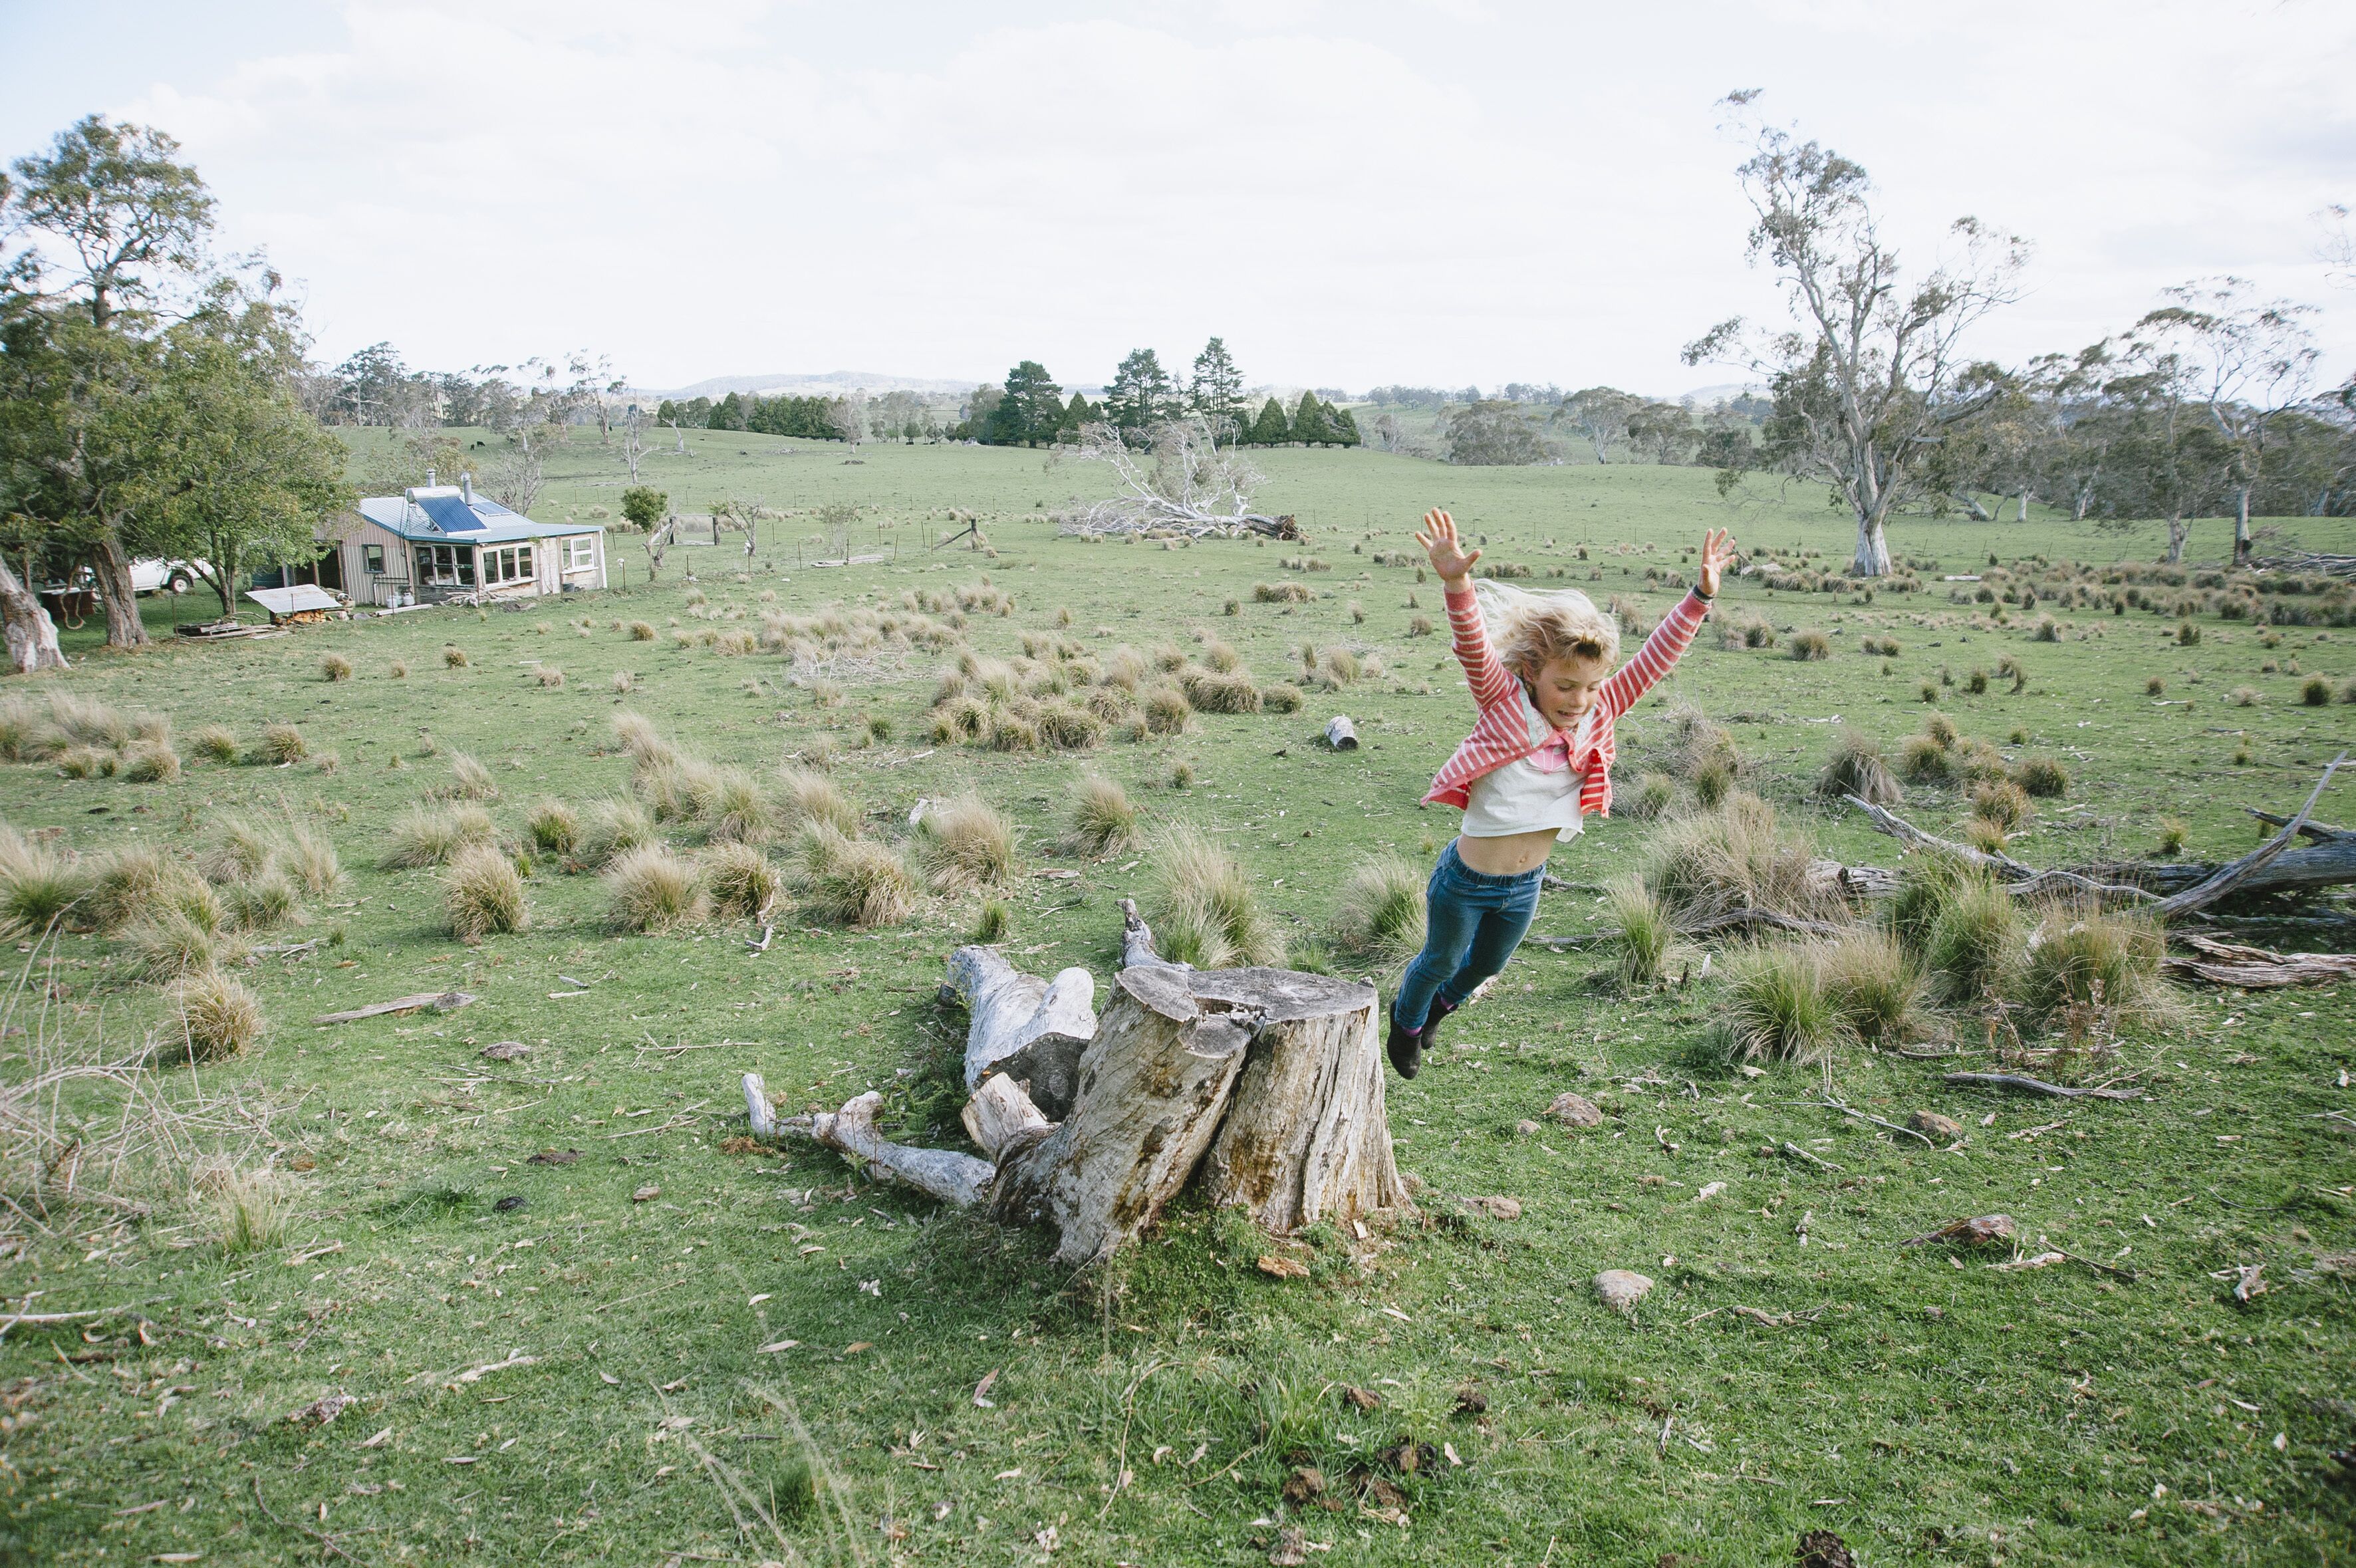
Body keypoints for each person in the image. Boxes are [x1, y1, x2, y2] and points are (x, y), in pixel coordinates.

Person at [1386, 509, 1734, 1078]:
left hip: (1526, 885)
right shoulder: (1504, 706)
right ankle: (1405, 1022)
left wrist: (1698, 597)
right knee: (1441, 959)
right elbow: (1473, 648)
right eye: (1565, 685)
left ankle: (1439, 1014)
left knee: (1485, 966)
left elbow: (1654, 662)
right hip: (1466, 883)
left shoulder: (1599, 714)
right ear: (1530, 672)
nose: (1578, 700)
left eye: (1591, 688)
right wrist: (1455, 583)